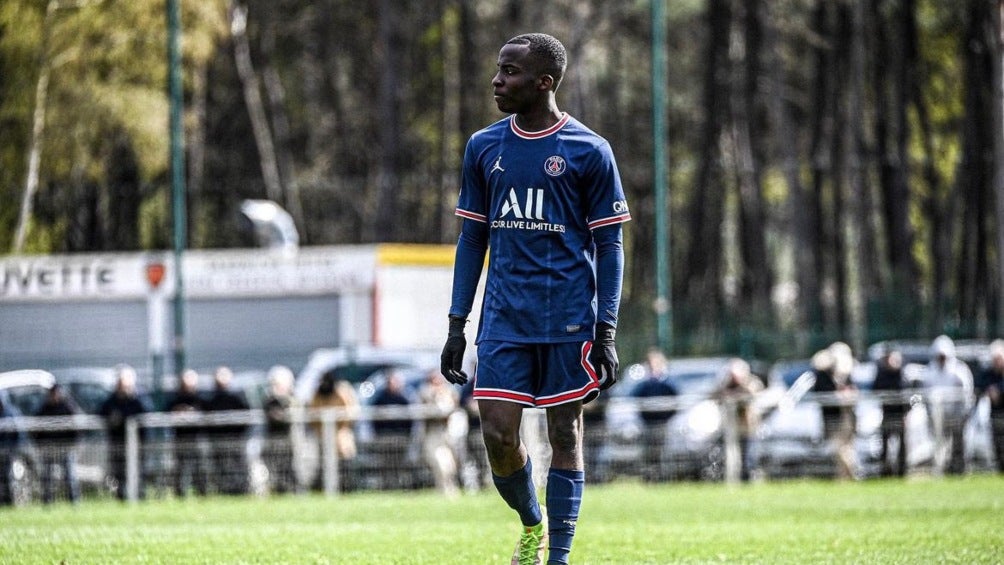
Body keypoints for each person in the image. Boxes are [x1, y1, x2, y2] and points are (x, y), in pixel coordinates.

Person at [439, 32, 630, 565]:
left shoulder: (589, 150)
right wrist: (457, 325)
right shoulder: (484, 147)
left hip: (568, 317)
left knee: (564, 433)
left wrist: (606, 330)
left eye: (510, 71)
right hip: (502, 319)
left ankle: (558, 559)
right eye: (498, 69)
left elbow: (610, 245)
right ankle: (533, 522)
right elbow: (472, 239)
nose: (497, 80)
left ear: (544, 83)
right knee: (498, 434)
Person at [99, 364, 151, 500]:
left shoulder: (138, 398)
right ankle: (121, 497)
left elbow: (145, 412)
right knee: (119, 473)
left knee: (138, 472)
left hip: (137, 445)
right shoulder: (111, 401)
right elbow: (102, 412)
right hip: (118, 443)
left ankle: (140, 497)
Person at [924, 335, 974, 475]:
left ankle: (960, 468)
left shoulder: (959, 370)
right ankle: (941, 468)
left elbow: (966, 392)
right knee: (940, 443)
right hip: (938, 416)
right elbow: (925, 393)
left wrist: (965, 412)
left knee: (959, 443)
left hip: (957, 414)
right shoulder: (929, 371)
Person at [810, 343, 858, 480]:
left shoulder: (846, 374)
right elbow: (821, 392)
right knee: (839, 448)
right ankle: (847, 475)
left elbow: (853, 390)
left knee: (845, 448)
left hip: (847, 416)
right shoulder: (822, 375)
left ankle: (849, 474)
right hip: (832, 416)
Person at [712, 358, 763, 481]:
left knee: (749, 458)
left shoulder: (752, 383)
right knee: (728, 458)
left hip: (748, 428)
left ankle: (749, 479)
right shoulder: (726, 384)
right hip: (730, 429)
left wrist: (741, 385)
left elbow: (754, 394)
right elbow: (715, 395)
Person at [633, 349, 679, 482]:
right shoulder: (644, 385)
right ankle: (650, 477)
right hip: (648, 424)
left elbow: (675, 401)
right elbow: (637, 401)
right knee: (649, 453)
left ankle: (664, 477)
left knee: (664, 451)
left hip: (663, 424)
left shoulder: (668, 384)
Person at [204, 366, 251, 494]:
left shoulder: (236, 398)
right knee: (220, 467)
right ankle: (223, 489)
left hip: (235, 439)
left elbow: (246, 416)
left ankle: (239, 489)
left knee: (237, 466)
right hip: (218, 439)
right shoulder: (211, 399)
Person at [33, 384, 83, 504]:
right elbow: (36, 429)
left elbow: (77, 427)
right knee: (47, 477)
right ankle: (47, 501)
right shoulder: (44, 408)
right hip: (49, 448)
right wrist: (41, 444)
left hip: (66, 447)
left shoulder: (68, 407)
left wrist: (72, 444)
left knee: (70, 476)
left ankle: (74, 501)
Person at [417, 368, 462, 497]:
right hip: (432, 434)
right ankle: (442, 489)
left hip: (447, 434)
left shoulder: (449, 391)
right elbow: (426, 410)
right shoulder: (425, 392)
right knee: (438, 463)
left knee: (450, 465)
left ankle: (451, 487)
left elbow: (455, 405)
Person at [166, 369, 208, 497]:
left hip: (197, 439)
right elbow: (167, 412)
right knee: (180, 468)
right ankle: (180, 492)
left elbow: (206, 415)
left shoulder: (200, 400)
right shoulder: (175, 400)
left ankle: (202, 492)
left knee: (199, 467)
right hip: (180, 439)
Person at [873, 348, 910, 477]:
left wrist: (907, 413)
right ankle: (885, 471)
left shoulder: (903, 375)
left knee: (902, 445)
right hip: (887, 414)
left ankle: (902, 471)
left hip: (901, 415)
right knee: (885, 444)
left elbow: (910, 397)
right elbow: (876, 391)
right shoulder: (882, 375)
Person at [262, 365, 298, 494]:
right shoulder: (269, 402)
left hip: (289, 441)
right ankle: (276, 489)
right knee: (274, 468)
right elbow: (273, 415)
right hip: (273, 442)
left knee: (290, 468)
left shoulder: (292, 400)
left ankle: (291, 490)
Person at [981, 339, 1004, 473]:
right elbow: (980, 382)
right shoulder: (989, 373)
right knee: (997, 442)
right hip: (995, 415)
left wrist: (999, 391)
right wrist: (990, 390)